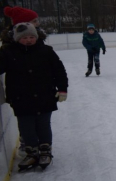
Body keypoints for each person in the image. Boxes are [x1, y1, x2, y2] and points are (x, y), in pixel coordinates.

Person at [0, 22, 69, 171]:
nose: (29, 40)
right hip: (20, 98)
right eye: (24, 38)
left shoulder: (46, 51)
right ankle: (32, 152)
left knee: (43, 124)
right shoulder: (8, 53)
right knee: (26, 127)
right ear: (17, 38)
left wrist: (63, 89)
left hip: (45, 96)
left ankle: (45, 151)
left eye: (32, 37)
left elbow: (59, 70)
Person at [1, 6, 48, 157]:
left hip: (39, 86)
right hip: (20, 88)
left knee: (41, 118)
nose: (38, 23)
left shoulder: (38, 39)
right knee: (26, 118)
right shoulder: (9, 47)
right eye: (34, 21)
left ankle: (42, 144)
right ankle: (28, 144)